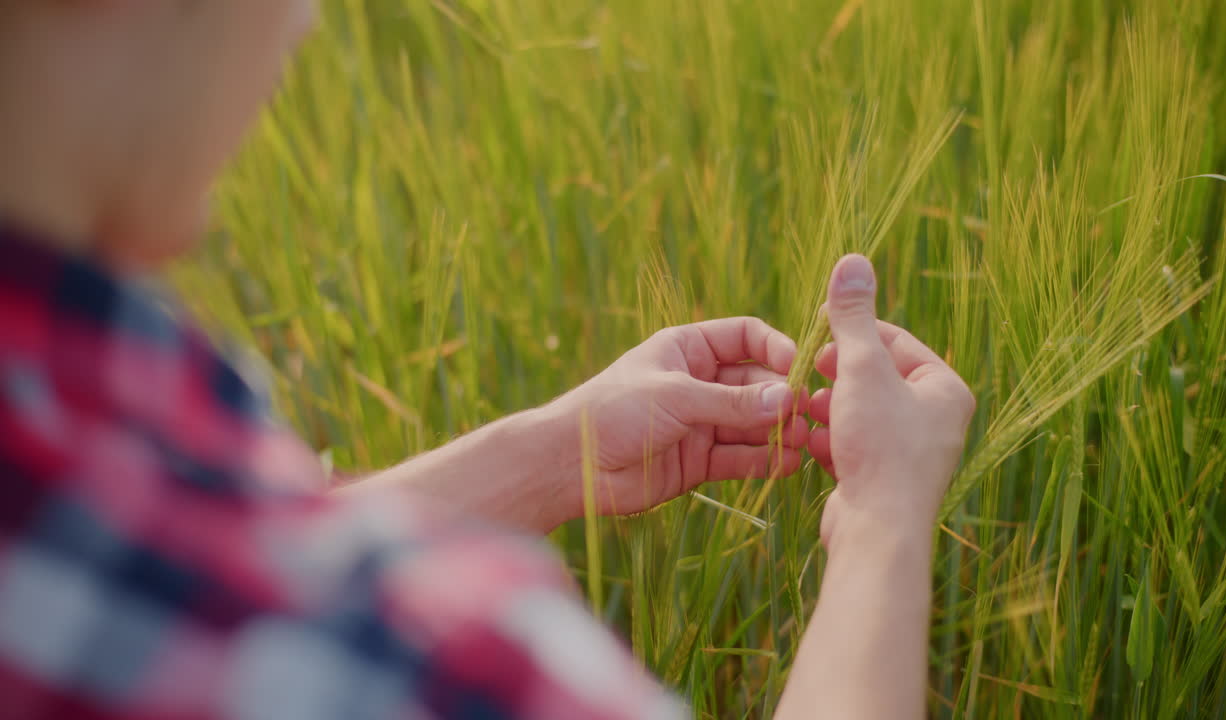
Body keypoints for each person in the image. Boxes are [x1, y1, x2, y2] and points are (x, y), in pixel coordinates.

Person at [0, 2, 975, 719]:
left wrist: (558, 454)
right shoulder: (429, 671)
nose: (303, 21)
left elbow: (192, 570)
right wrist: (884, 525)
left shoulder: (71, 451)